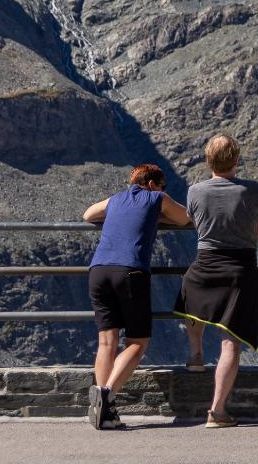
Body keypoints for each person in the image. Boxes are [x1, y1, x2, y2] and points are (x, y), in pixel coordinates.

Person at [81, 163, 189, 430]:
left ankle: (104, 412)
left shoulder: (117, 199)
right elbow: (185, 218)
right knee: (137, 342)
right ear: (153, 183)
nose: (164, 190)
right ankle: (107, 392)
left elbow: (88, 215)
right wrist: (157, 215)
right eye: (163, 185)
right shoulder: (157, 197)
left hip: (98, 271)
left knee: (107, 342)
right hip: (130, 272)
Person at [173, 133, 258, 429]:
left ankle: (195, 352)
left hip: (205, 262)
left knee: (191, 300)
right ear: (236, 160)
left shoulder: (195, 191)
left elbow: (193, 221)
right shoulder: (252, 190)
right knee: (231, 344)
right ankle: (217, 411)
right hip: (239, 268)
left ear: (207, 160)